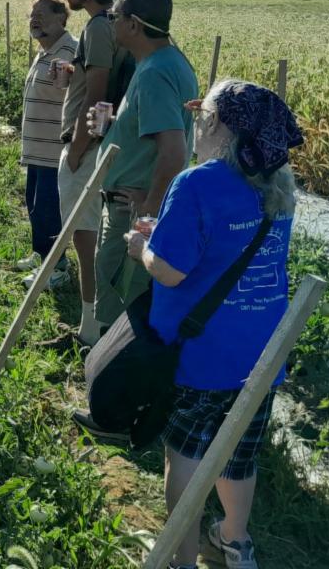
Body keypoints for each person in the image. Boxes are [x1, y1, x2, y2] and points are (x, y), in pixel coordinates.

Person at [125, 80, 303, 569]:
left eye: (201, 114)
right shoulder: (279, 183)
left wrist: (144, 248)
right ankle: (234, 540)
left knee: (185, 454)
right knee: (238, 452)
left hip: (200, 353)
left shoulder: (196, 183)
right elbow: (229, 251)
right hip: (260, 354)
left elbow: (170, 271)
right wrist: (169, 237)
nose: (196, 124)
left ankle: (182, 559)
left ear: (219, 125)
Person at [90, 0, 197, 335]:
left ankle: (107, 359)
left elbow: (173, 150)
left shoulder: (154, 73)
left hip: (132, 209)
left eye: (114, 16)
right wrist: (113, 127)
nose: (111, 23)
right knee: (119, 288)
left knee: (120, 294)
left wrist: (148, 209)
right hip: (132, 202)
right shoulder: (166, 61)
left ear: (133, 24)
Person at [43, 0, 135, 344]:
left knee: (85, 238)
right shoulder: (121, 23)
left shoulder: (98, 26)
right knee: (103, 238)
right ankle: (101, 326)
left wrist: (78, 150)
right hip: (113, 143)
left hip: (91, 145)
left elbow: (98, 96)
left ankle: (90, 330)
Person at [17, 0, 77, 289]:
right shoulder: (45, 51)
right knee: (34, 204)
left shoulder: (71, 51)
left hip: (55, 149)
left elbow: (79, 94)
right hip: (37, 147)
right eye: (32, 15)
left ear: (61, 18)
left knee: (49, 210)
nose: (35, 20)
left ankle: (58, 267)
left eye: (41, 15)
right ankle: (41, 254)